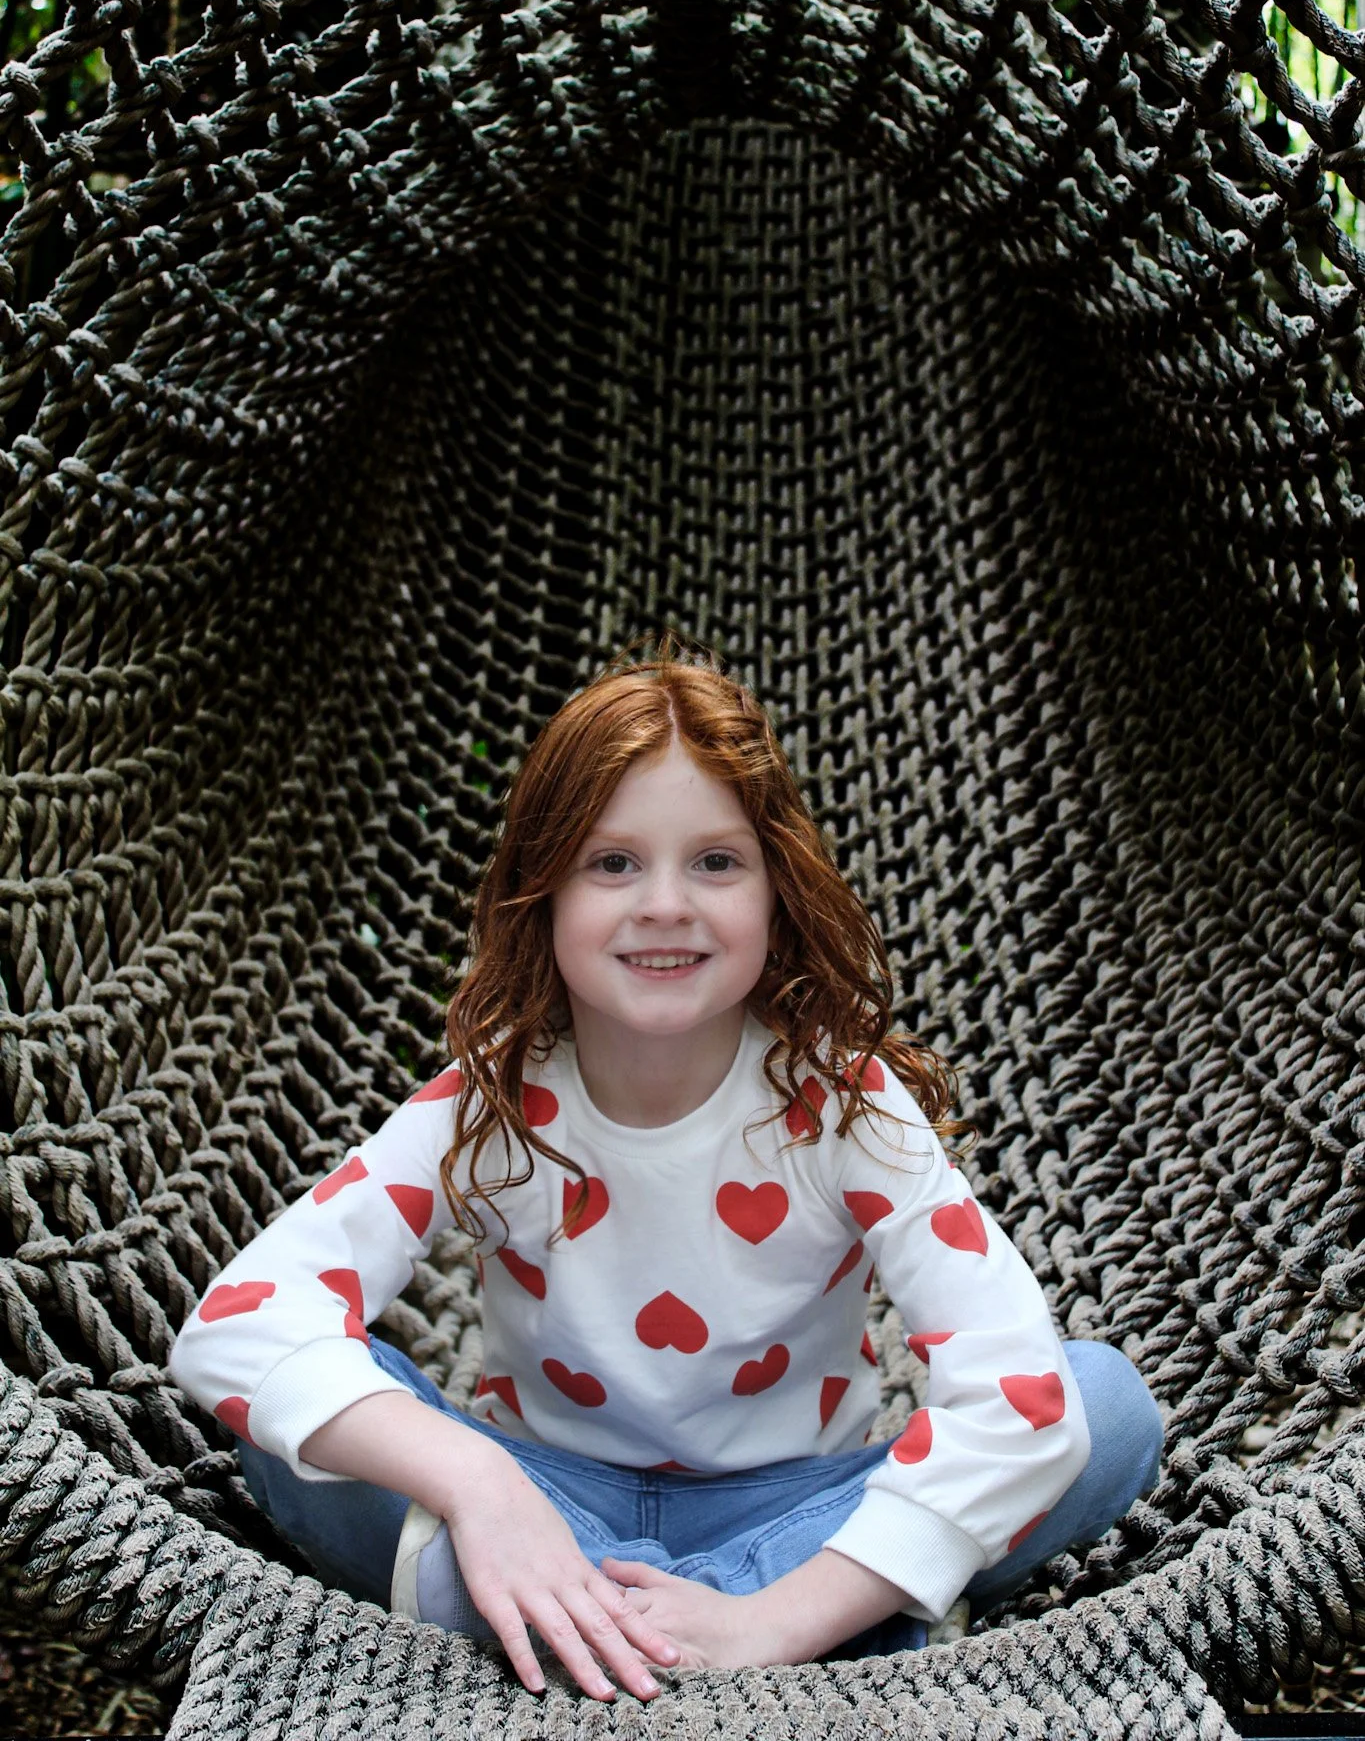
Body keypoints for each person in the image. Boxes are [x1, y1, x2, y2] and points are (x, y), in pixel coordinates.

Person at [168, 641, 1163, 1705]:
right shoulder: (490, 1103)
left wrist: (767, 1611)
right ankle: (837, 1629)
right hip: (543, 1497)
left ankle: (644, 1632)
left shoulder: (844, 1105)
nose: (665, 904)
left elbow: (1025, 1393)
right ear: (539, 893)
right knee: (290, 1430)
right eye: (613, 862)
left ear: (777, 890)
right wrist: (484, 1485)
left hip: (796, 1503)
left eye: (716, 861)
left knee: (1106, 1405)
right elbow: (235, 1324)